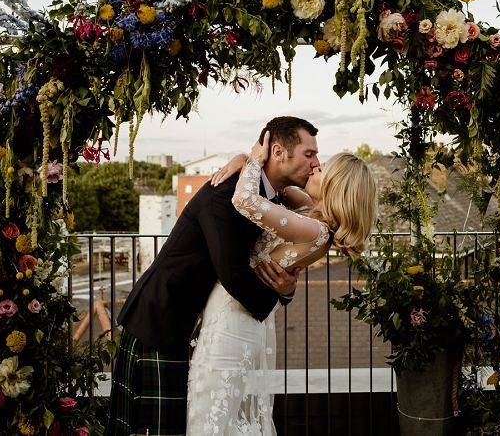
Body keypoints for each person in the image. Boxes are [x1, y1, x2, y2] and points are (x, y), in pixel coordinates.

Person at [105, 116, 320, 436]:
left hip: (191, 329)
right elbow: (233, 274)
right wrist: (275, 297)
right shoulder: (228, 191)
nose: (316, 163)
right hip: (161, 322)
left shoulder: (272, 195)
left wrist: (286, 288)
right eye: (309, 154)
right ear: (277, 151)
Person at [186, 132, 378, 435]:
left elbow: (244, 200)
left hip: (233, 321)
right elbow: (282, 187)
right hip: (236, 311)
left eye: (323, 168)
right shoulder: (312, 214)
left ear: (336, 187)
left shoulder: (314, 230)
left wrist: (254, 158)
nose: (315, 167)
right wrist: (240, 161)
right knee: (213, 411)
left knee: (209, 416)